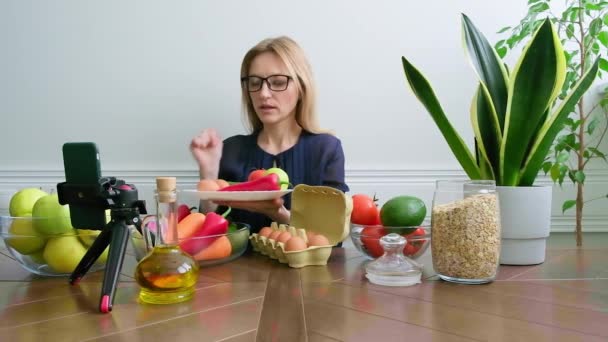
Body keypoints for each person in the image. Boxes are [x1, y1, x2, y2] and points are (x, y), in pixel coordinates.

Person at [190, 36, 349, 233]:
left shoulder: (325, 149)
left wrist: (279, 213)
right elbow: (209, 231)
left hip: (307, 265)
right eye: (255, 82)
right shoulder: (230, 149)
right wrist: (209, 172)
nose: (264, 93)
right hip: (237, 264)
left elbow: (333, 234)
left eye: (278, 81)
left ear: (301, 87)